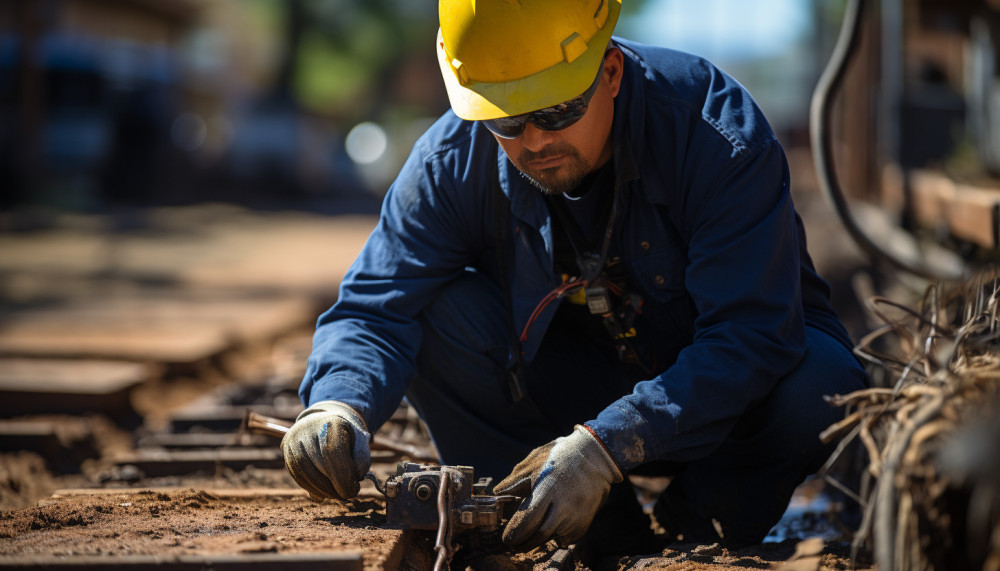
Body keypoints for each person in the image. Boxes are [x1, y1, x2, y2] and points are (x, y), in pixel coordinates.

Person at [280, 0, 869, 557]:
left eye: (557, 110)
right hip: (573, 389)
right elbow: (376, 305)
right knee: (439, 310)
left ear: (610, 70)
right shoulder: (451, 161)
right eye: (506, 120)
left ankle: (697, 522)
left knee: (822, 382)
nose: (534, 141)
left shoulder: (713, 136)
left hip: (722, 402)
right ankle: (568, 524)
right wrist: (337, 402)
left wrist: (609, 444)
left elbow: (750, 334)